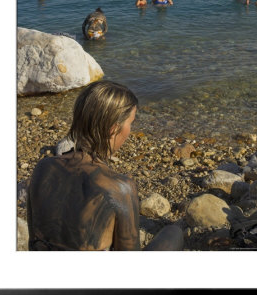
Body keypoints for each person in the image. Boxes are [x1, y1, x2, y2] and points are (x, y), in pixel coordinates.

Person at [27, 80, 184, 251]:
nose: (130, 130)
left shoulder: (43, 168)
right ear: (113, 129)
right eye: (130, 122)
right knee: (173, 233)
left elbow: (33, 238)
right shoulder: (119, 188)